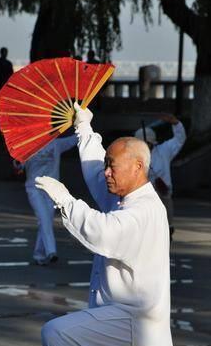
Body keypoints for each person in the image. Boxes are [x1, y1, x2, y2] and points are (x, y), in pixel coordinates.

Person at [36, 104, 172, 346]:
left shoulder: (144, 210)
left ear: (138, 167)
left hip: (135, 319)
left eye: (113, 166)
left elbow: (104, 232)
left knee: (55, 332)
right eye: (107, 165)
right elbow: (95, 169)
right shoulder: (124, 194)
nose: (107, 172)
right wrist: (83, 128)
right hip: (122, 316)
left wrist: (65, 201)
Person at [13, 134, 77, 265]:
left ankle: (39, 254)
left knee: (45, 221)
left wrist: (82, 123)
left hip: (51, 190)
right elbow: (18, 167)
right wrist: (18, 162)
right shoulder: (27, 146)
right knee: (44, 218)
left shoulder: (56, 144)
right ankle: (51, 252)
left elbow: (74, 140)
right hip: (34, 189)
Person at [134, 114, 186, 238]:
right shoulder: (133, 156)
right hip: (142, 198)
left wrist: (176, 123)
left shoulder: (164, 150)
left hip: (163, 195)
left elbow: (179, 139)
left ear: (152, 143)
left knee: (166, 228)